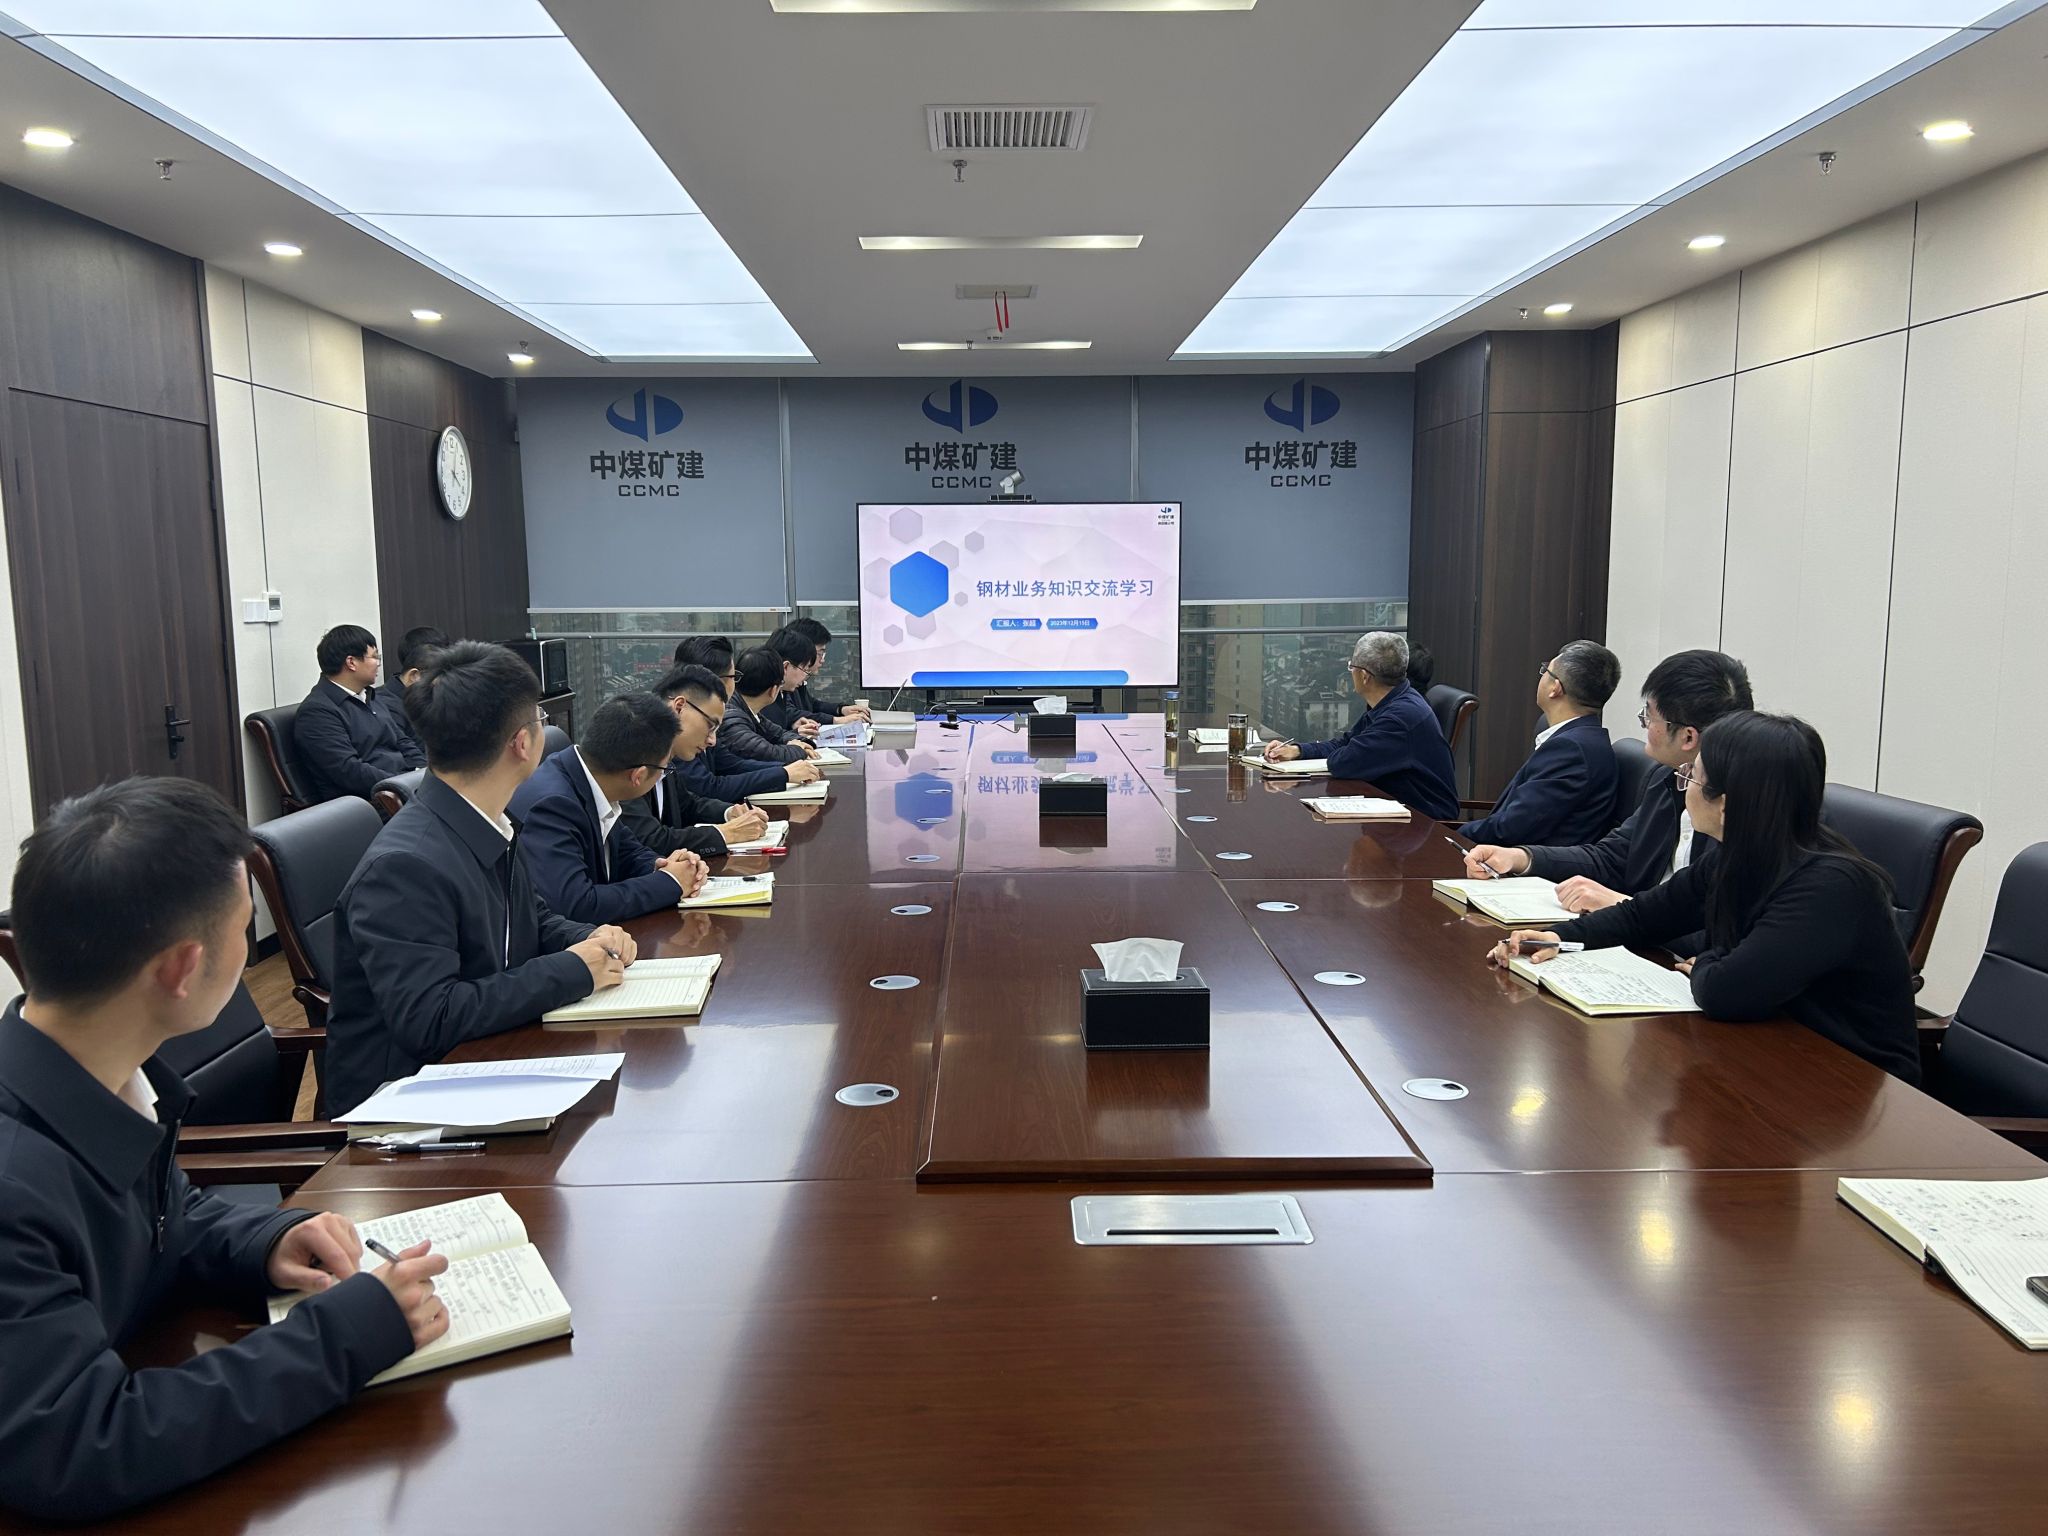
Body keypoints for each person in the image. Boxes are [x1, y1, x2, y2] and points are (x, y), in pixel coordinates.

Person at [0, 777, 449, 1520]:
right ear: (181, 969)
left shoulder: (102, 1074)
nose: (249, 947)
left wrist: (266, 1240)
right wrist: (346, 1333)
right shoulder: (15, 1181)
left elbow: (166, 1221)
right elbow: (77, 1446)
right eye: (245, 927)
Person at [1487, 712, 1919, 1084]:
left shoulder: (1831, 886)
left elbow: (1727, 991)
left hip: (1850, 1084)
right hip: (1765, 1051)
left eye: (1691, 776)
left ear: (1725, 806)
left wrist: (1712, 959)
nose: (1684, 786)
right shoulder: (1739, 855)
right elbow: (1642, 916)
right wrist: (1554, 937)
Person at [325, 642, 633, 1116]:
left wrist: (588, 938)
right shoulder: (405, 865)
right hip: (405, 1111)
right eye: (540, 718)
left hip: (485, 1065)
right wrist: (572, 970)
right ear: (522, 743)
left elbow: (532, 919)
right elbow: (431, 1019)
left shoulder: (486, 819)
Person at [1463, 648, 1752, 913]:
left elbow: (1720, 926)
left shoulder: (1743, 812)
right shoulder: (1667, 778)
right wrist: (1522, 858)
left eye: (1649, 716)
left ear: (1688, 737)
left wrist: (1622, 905)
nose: (1644, 724)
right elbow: (1611, 857)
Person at [508, 693, 711, 923]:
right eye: (665, 768)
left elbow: (627, 851)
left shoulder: (590, 778)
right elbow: (575, 905)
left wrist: (663, 867)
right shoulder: (553, 806)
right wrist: (670, 883)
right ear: (638, 776)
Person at [1263, 631, 1459, 821]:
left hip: (1423, 821)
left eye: (1351, 667)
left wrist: (1343, 752)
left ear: (1364, 676)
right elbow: (1347, 743)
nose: (1350, 673)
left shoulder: (1400, 717)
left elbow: (1344, 762)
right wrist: (1298, 750)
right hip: (1395, 809)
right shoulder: (1394, 700)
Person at [1458, 640, 1621, 847]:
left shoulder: (1572, 750)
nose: (1541, 675)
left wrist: (1453, 835)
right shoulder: (1580, 738)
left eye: (1545, 670)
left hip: (1527, 863)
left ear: (1555, 688)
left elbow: (1512, 829)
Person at [622, 664, 773, 858]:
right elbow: (650, 840)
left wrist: (729, 812)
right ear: (679, 707)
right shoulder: (629, 756)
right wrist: (726, 833)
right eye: (710, 725)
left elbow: (688, 806)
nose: (712, 740)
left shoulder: (665, 756)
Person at [671, 637, 824, 800]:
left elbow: (731, 764)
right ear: (714, 680)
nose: (712, 740)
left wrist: (785, 770)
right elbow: (709, 787)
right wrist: (785, 772)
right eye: (733, 676)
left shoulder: (718, 711)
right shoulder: (681, 725)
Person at [294, 624, 426, 803]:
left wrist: (423, 772)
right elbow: (349, 771)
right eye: (375, 657)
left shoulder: (369, 695)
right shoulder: (317, 712)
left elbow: (403, 741)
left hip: (402, 787)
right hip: (368, 802)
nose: (378, 663)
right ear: (351, 662)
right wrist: (404, 784)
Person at [724, 645, 816, 764]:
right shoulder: (732, 715)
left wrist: (799, 742)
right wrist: (798, 749)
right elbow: (767, 753)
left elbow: (779, 734)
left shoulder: (750, 710)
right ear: (773, 690)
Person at [776, 617, 868, 725]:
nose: (822, 660)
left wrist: (840, 709)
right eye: (820, 653)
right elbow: (789, 714)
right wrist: (835, 720)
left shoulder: (796, 679)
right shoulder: (780, 682)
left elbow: (811, 705)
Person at [759, 627, 824, 739]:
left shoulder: (781, 690)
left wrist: (792, 727)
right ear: (785, 667)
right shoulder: (763, 694)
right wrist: (794, 734)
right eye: (805, 670)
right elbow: (762, 741)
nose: (805, 677)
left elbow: (773, 734)